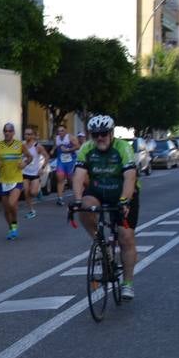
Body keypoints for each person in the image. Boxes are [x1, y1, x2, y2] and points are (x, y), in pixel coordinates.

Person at [71, 114, 140, 300]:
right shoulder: (87, 148)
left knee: (126, 237)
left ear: (111, 133)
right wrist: (77, 200)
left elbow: (130, 177)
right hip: (99, 190)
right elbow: (78, 176)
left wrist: (125, 200)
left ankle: (127, 283)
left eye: (103, 133)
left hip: (123, 192)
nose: (99, 137)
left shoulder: (123, 148)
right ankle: (101, 243)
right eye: (95, 134)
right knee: (85, 207)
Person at [0, 122, 29, 240]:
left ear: (13, 133)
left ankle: (15, 226)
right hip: (3, 180)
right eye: (5, 131)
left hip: (16, 179)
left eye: (9, 131)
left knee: (12, 204)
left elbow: (30, 157)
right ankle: (11, 228)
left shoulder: (20, 145)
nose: (7, 133)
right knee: (6, 210)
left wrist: (24, 163)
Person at [20, 125, 48, 218]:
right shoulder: (22, 145)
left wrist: (42, 168)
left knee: (33, 193)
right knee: (26, 192)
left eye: (29, 134)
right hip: (25, 172)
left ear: (33, 135)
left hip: (35, 173)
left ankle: (38, 190)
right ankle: (31, 211)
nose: (26, 136)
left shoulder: (37, 146)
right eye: (25, 134)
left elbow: (47, 157)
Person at [51, 123, 78, 204]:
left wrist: (68, 150)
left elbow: (78, 146)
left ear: (66, 131)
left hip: (70, 161)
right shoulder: (57, 138)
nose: (60, 132)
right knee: (60, 178)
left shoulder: (70, 137)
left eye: (62, 131)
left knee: (71, 180)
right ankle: (60, 198)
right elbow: (56, 145)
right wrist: (53, 150)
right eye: (59, 131)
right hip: (61, 161)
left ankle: (77, 196)